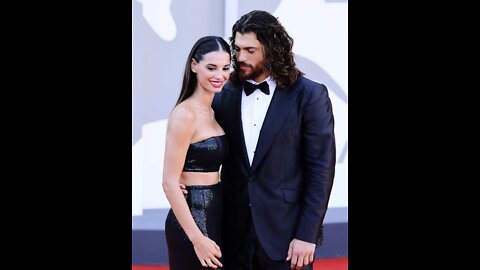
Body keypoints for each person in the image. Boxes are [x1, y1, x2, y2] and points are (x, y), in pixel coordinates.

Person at [212, 10, 336, 270]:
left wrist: (307, 235)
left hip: (287, 236)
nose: (240, 57)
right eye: (237, 49)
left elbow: (320, 171)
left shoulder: (310, 95)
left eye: (250, 50)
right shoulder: (225, 95)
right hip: (233, 235)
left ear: (271, 48)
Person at [162, 36, 231, 269]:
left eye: (225, 68)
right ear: (194, 66)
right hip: (191, 222)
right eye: (211, 68)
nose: (219, 75)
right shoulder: (185, 114)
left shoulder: (214, 111)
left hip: (217, 212)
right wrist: (197, 239)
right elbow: (170, 183)